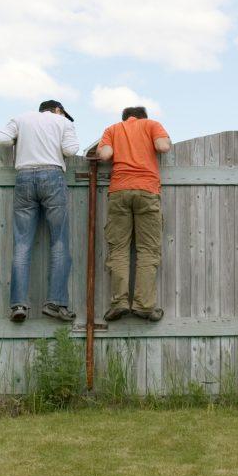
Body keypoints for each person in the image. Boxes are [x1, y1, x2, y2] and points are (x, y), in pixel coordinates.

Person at [0, 99, 80, 323]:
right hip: (52, 176)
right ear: (58, 110)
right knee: (59, 242)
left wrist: (21, 140)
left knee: (22, 244)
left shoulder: (21, 118)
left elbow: (2, 139)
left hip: (24, 177)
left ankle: (18, 305)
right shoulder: (62, 122)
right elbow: (71, 150)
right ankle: (55, 303)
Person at [95, 106, 171, 322]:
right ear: (142, 117)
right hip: (147, 190)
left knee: (118, 249)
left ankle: (119, 303)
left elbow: (106, 155)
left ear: (125, 118)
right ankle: (144, 306)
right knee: (147, 250)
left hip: (119, 191)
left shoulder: (113, 129)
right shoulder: (152, 125)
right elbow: (163, 147)